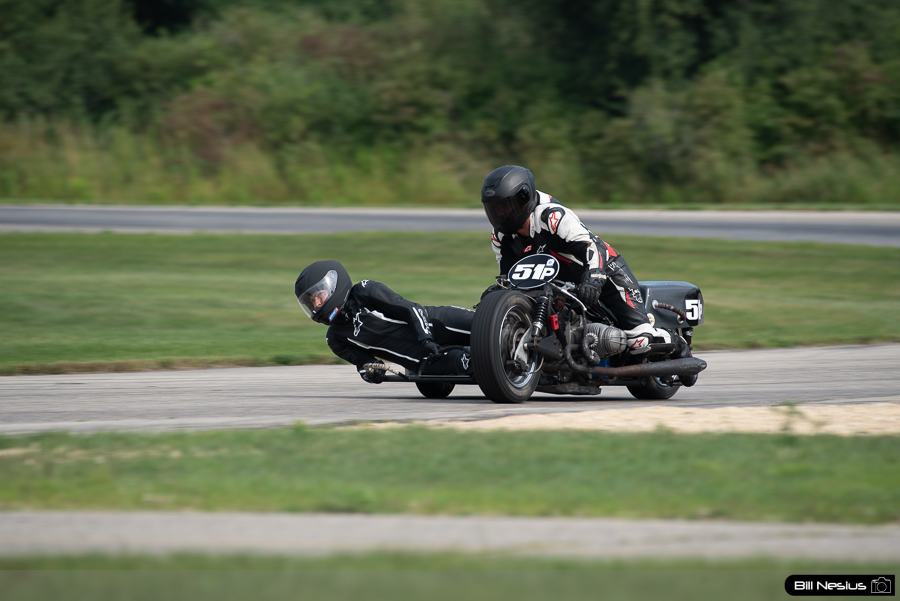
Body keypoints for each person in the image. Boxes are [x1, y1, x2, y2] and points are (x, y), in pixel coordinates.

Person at [479, 164, 691, 359]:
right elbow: (510, 277)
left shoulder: (552, 217)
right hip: (559, 283)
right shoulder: (501, 236)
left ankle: (677, 343)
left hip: (603, 270)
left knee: (639, 340)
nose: (500, 215)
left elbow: (593, 247)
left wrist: (594, 279)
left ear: (524, 197)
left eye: (506, 207)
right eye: (495, 209)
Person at [295, 260, 474, 383]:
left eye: (319, 296)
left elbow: (411, 309)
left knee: (488, 326)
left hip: (437, 323)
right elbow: (364, 363)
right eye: (311, 301)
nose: (317, 304)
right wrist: (370, 372)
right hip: (422, 360)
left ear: (335, 284)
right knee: (471, 363)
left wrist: (426, 339)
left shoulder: (365, 291)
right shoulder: (335, 338)